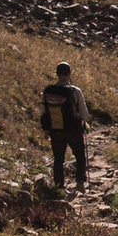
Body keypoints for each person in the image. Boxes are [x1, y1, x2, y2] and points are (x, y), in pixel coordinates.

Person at [42, 62, 89, 192]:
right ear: (69, 73)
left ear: (57, 74)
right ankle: (80, 183)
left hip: (55, 129)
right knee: (80, 155)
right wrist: (84, 121)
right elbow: (84, 113)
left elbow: (45, 112)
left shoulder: (48, 91)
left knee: (58, 158)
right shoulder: (75, 91)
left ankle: (59, 186)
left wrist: (46, 129)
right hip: (73, 129)